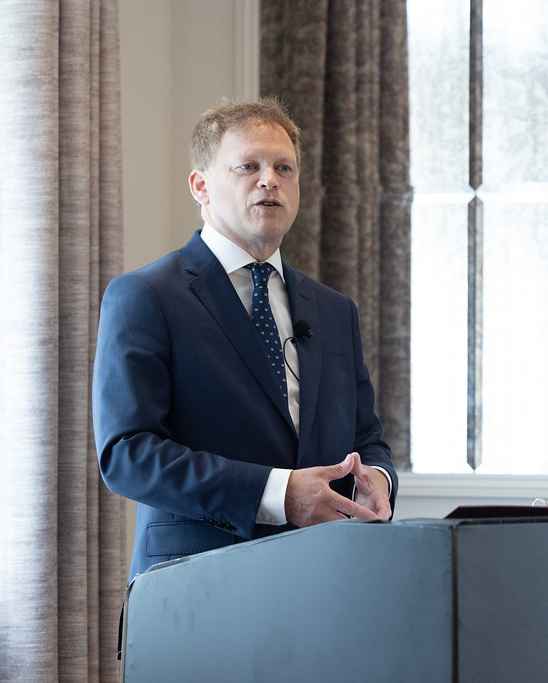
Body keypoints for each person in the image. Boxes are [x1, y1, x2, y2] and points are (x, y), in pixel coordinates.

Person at [93, 98, 397, 581]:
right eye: (248, 166)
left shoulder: (335, 310)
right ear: (201, 186)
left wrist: (377, 480)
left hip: (325, 584)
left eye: (284, 168)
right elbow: (128, 453)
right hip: (197, 589)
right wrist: (277, 493)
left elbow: (367, 438)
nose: (269, 180)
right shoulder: (145, 296)